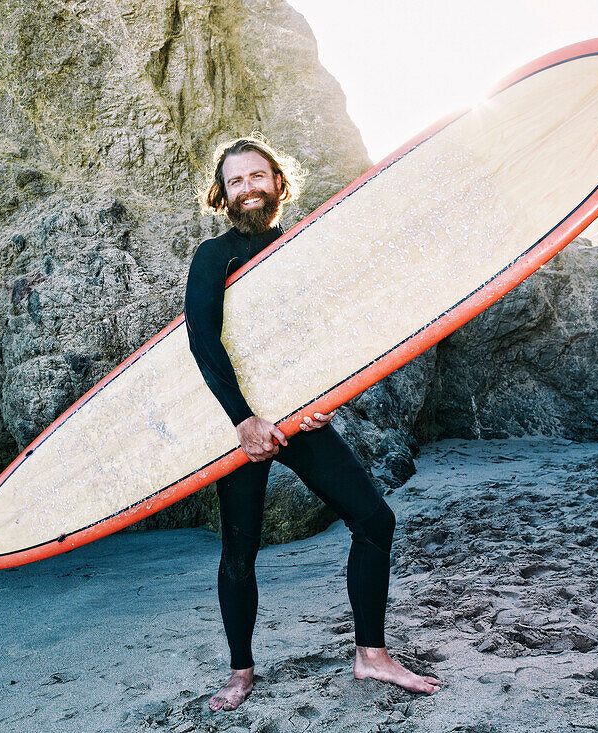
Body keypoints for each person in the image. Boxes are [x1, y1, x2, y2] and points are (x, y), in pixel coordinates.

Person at [184, 137, 442, 712]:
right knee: (239, 551)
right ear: (223, 195)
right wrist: (243, 419)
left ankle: (371, 654)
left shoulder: (298, 249)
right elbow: (203, 341)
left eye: (258, 176)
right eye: (235, 182)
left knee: (374, 518)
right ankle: (241, 670)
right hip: (237, 422)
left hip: (295, 418)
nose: (248, 188)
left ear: (278, 181)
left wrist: (325, 400)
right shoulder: (214, 256)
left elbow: (315, 341)